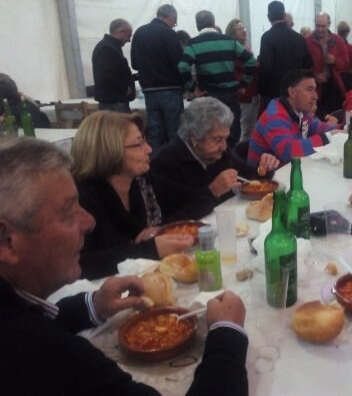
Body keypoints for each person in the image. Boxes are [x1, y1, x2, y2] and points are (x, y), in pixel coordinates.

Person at [0, 137, 249, 395]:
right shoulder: (39, 353)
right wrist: (227, 333)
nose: (88, 223)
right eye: (67, 212)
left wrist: (93, 306)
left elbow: (35, 314)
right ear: (7, 242)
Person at [71, 111, 214, 279]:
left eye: (144, 140)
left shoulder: (142, 180)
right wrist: (150, 248)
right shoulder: (82, 197)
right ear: (110, 151)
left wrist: (161, 230)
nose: (149, 149)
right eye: (138, 144)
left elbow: (202, 199)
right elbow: (81, 264)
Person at [151, 97, 279, 205]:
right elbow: (176, 213)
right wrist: (213, 191)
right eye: (217, 139)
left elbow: (247, 175)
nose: (224, 146)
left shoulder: (218, 152)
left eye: (225, 138)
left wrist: (262, 170)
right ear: (195, 137)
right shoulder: (164, 164)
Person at [179, 10, 256, 148]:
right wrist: (243, 85)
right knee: (232, 135)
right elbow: (251, 61)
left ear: (197, 26)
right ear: (214, 23)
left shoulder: (193, 44)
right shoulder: (229, 41)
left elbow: (183, 67)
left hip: (208, 97)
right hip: (230, 96)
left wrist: (192, 88)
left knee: (210, 136)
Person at [248, 69, 338, 165]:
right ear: (292, 92)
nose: (315, 96)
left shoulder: (300, 111)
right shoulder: (274, 116)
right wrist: (327, 138)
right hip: (263, 176)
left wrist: (346, 128)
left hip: (287, 169)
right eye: (309, 89)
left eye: (315, 90)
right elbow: (288, 152)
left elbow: (318, 127)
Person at [130, 4, 183, 151]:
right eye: (175, 22)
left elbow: (134, 64)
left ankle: (153, 165)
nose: (174, 25)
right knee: (175, 131)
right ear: (171, 17)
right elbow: (178, 63)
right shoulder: (169, 34)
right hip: (170, 89)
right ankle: (175, 166)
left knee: (155, 132)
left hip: (148, 90)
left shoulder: (139, 33)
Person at [258, 1, 312, 113]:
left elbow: (266, 68)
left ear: (268, 17)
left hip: (275, 93)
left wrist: (262, 91)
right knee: (297, 123)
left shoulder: (267, 38)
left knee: (277, 124)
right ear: (283, 15)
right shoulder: (299, 38)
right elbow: (308, 64)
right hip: (297, 90)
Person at [305, 12, 351, 120]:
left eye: (323, 26)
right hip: (315, 87)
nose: (320, 29)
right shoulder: (307, 41)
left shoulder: (338, 40)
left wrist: (335, 60)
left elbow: (347, 63)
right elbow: (302, 64)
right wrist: (315, 75)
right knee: (317, 117)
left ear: (329, 24)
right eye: (317, 25)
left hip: (334, 86)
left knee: (336, 117)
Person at [225, 18, 259, 142]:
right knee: (243, 125)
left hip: (253, 89)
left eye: (243, 28)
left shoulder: (246, 46)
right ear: (232, 33)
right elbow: (240, 66)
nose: (243, 31)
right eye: (239, 29)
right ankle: (240, 154)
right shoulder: (232, 48)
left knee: (253, 125)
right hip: (244, 92)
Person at [92, 18, 136, 113]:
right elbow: (105, 76)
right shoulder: (106, 49)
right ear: (121, 32)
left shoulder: (110, 47)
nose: (129, 40)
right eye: (128, 36)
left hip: (114, 100)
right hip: (113, 101)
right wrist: (125, 88)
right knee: (120, 127)